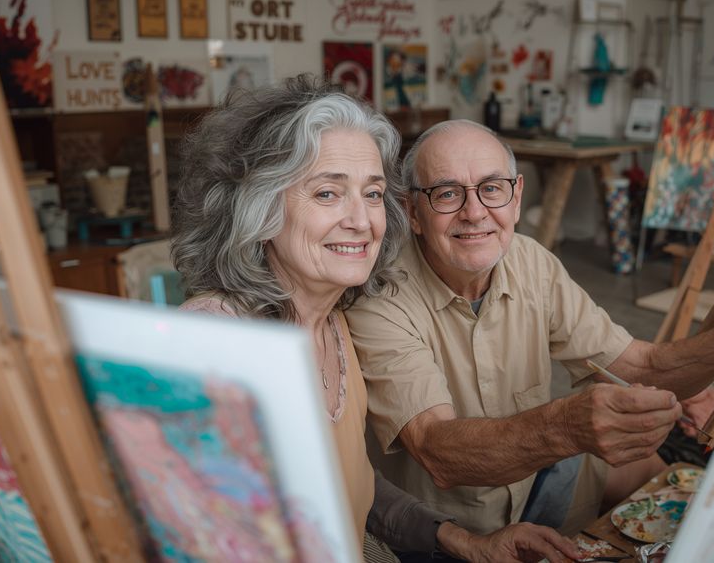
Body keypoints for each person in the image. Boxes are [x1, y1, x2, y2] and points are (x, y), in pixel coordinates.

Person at [170, 77, 580, 562]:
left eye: (372, 193)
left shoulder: (336, 325)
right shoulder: (213, 346)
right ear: (258, 208)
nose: (362, 221)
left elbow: (350, 482)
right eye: (328, 194)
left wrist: (464, 542)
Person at [345, 119, 714, 537]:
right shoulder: (380, 293)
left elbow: (641, 366)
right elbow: (438, 450)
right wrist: (565, 426)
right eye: (446, 194)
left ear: (516, 198)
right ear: (412, 211)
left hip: (535, 480)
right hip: (451, 532)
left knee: (676, 494)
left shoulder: (530, 260)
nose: (475, 212)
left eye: (492, 189)